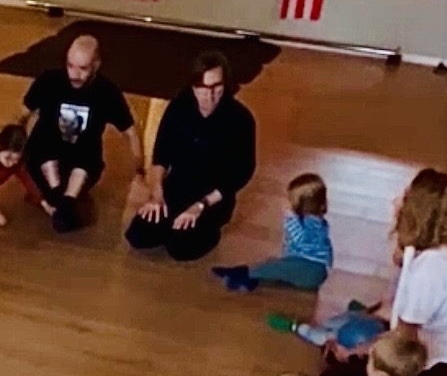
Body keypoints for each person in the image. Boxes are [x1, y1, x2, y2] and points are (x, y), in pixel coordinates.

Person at [321, 169, 447, 376]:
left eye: (405, 199)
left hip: (437, 364)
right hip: (424, 341)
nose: (396, 202)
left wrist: (355, 352)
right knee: (348, 336)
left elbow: (402, 343)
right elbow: (395, 305)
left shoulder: (430, 271)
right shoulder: (432, 250)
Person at [125, 52, 257, 261]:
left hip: (212, 197)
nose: (209, 96)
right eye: (202, 88)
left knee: (180, 248)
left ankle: (208, 227)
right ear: (193, 86)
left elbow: (241, 172)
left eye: (216, 87)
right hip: (177, 188)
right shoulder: (178, 108)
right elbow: (161, 156)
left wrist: (200, 205)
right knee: (138, 236)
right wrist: (157, 195)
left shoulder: (240, 119)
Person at [22, 35, 144, 234]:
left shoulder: (107, 91)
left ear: (96, 64)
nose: (74, 75)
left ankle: (64, 202)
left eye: (83, 68)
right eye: (70, 66)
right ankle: (61, 200)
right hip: (45, 155)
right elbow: (24, 114)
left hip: (83, 161)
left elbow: (130, 130)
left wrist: (139, 172)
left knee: (84, 161)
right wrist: (15, 146)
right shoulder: (49, 80)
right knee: (44, 152)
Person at [213, 171, 332, 292]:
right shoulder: (311, 219)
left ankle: (243, 274)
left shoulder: (313, 222)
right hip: (307, 267)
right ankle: (248, 275)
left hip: (311, 270)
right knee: (272, 263)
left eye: (291, 199)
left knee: (277, 267)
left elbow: (300, 240)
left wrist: (290, 219)